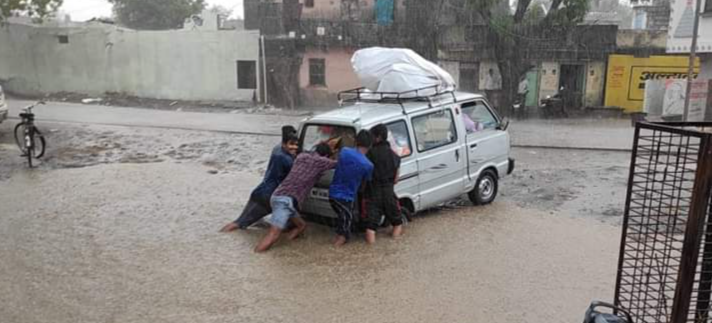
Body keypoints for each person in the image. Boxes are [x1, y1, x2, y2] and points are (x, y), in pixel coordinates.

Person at [254, 143, 336, 252]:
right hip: (284, 201)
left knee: (301, 225)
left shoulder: (301, 156)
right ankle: (256, 256)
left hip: (279, 196)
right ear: (325, 155)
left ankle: (286, 247)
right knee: (273, 235)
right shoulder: (322, 161)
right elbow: (340, 164)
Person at [219, 126, 298, 232]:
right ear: (284, 143)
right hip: (268, 197)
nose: (295, 148)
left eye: (296, 144)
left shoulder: (277, 148)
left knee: (240, 221)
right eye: (291, 144)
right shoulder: (286, 159)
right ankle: (220, 237)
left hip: (261, 191)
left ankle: (222, 234)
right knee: (239, 223)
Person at [329, 130, 374, 247]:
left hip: (332, 195)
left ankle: (333, 249)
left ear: (356, 141)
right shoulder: (368, 165)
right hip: (346, 198)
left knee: (342, 224)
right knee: (344, 233)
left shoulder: (344, 152)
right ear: (370, 145)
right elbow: (365, 184)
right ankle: (333, 252)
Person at [363, 124, 403, 244]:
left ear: (378, 137)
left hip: (374, 193)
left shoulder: (369, 155)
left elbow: (365, 176)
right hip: (389, 193)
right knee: (397, 223)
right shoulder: (395, 156)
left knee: (371, 227)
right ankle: (395, 246)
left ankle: (372, 252)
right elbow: (396, 179)